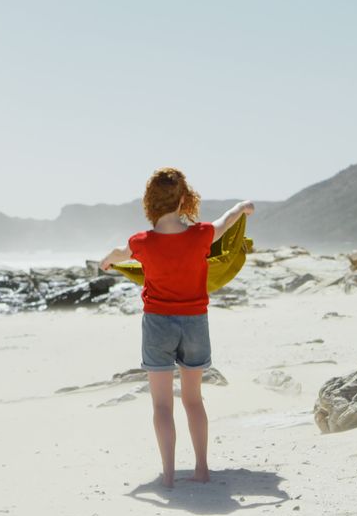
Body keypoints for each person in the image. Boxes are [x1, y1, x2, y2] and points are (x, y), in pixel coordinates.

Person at [100, 167, 254, 488]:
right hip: (195, 323)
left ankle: (168, 476)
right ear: (184, 199)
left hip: (157, 325)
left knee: (161, 404)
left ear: (149, 202)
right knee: (193, 400)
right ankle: (201, 469)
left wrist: (107, 261)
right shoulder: (200, 235)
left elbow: (118, 253)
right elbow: (225, 223)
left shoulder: (141, 242)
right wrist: (241, 208)